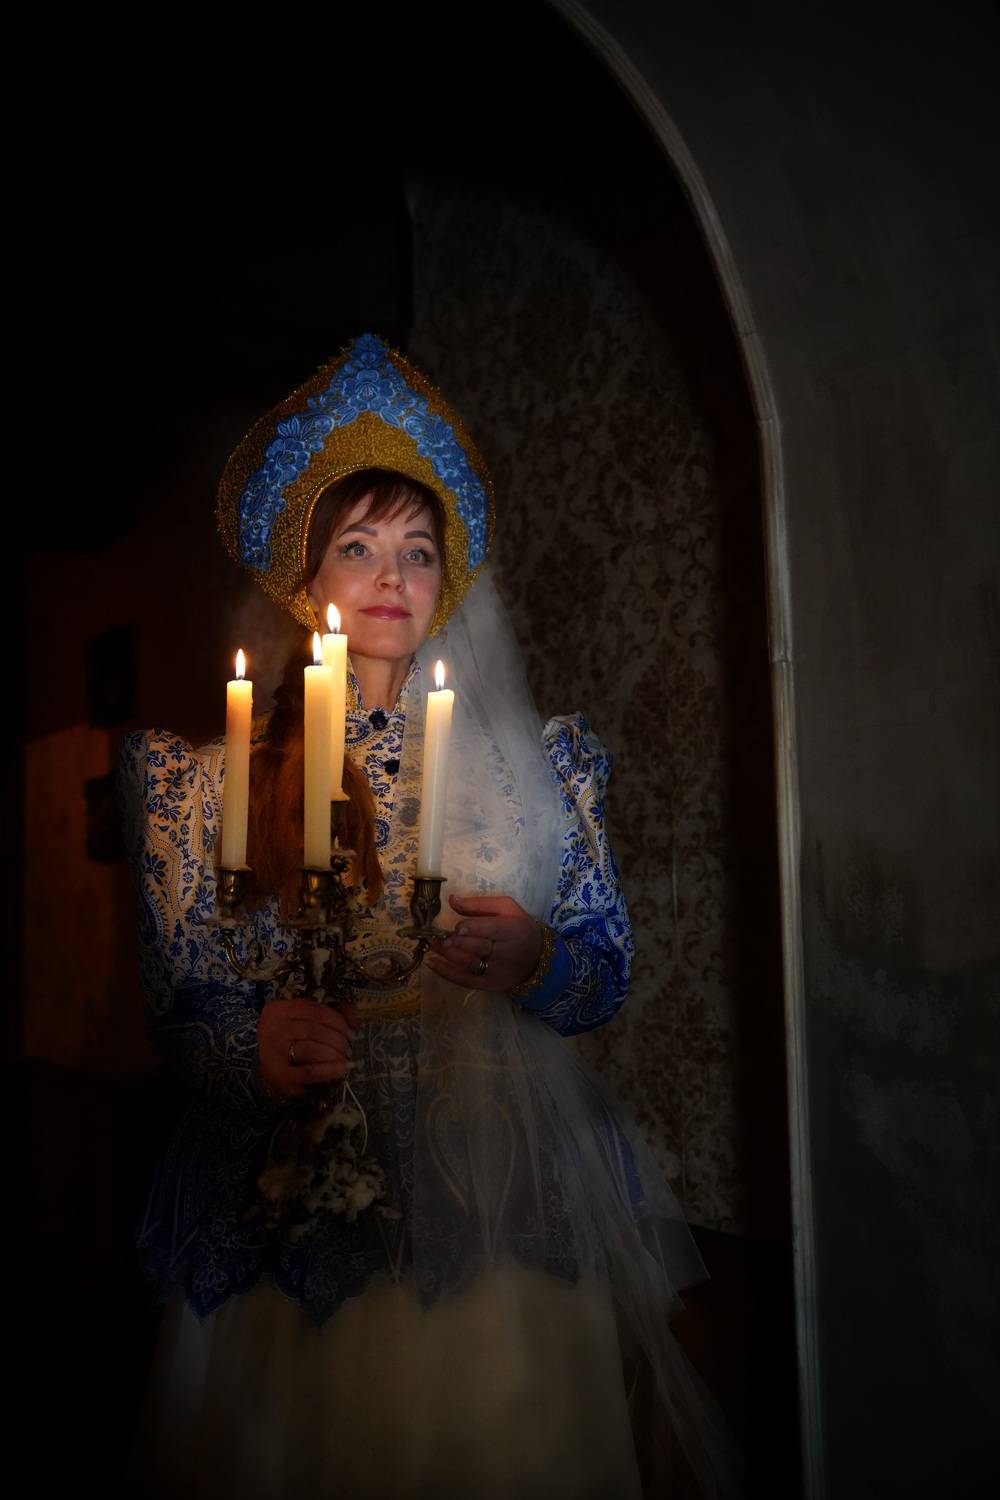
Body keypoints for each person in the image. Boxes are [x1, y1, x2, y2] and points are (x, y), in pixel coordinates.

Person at [120, 332, 740, 1498]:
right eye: (356, 547)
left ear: (445, 582)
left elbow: (602, 975)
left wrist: (537, 958)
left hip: (497, 1188)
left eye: (416, 550)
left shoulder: (533, 769)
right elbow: (180, 1006)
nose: (391, 574)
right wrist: (248, 1044)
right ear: (306, 579)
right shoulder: (206, 785)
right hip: (289, 1198)